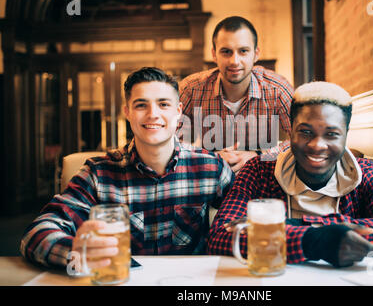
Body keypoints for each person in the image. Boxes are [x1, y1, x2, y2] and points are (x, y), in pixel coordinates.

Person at [21, 67, 234, 269]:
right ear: (127, 112)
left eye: (163, 104)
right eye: (141, 105)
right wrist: (77, 252)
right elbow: (35, 235)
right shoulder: (98, 174)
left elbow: (246, 219)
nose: (153, 114)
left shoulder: (210, 167)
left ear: (178, 111)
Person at [207, 81, 373, 267]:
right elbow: (221, 235)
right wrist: (314, 240)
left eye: (331, 134)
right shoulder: (259, 171)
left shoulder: (364, 172)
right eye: (306, 132)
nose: (317, 145)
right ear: (290, 132)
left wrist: (293, 226)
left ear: (346, 135)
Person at [177, 16, 294, 173]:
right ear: (214, 54)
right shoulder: (190, 89)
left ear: (256, 53)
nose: (234, 61)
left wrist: (259, 155)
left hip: (260, 175)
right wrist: (209, 157)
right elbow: (169, 140)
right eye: (226, 52)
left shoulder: (277, 88)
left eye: (243, 51)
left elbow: (301, 138)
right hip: (209, 175)